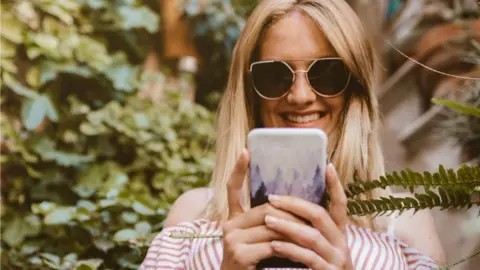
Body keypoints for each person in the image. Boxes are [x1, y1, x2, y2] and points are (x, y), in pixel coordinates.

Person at [140, 0, 446, 269]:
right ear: (250, 93)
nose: (300, 96)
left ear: (355, 88)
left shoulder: (405, 222)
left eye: (327, 73)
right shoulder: (194, 214)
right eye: (275, 76)